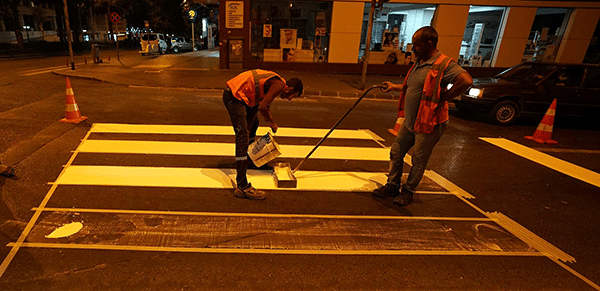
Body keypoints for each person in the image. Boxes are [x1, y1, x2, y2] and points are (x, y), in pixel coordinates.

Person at [374, 26, 473, 206]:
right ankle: (392, 186)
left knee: (418, 158)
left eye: (417, 45)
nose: (413, 49)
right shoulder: (419, 63)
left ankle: (408, 191)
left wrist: (443, 98)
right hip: (411, 121)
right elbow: (414, 87)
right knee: (396, 152)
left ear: (429, 43)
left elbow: (466, 81)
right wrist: (394, 87)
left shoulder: (444, 64)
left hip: (429, 122)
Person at [223, 69, 303, 200]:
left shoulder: (274, 82)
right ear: (289, 89)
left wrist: (249, 127)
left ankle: (249, 159)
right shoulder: (278, 85)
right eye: (292, 96)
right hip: (234, 96)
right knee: (242, 136)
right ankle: (242, 186)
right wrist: (272, 122)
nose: (289, 99)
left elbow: (255, 105)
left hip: (240, 97)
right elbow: (263, 107)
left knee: (253, 124)